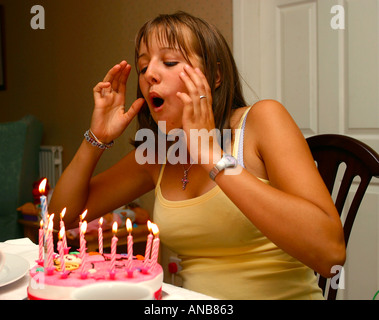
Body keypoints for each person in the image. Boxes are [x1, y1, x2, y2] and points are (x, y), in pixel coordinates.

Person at [50, 11, 345, 299]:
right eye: (142, 67)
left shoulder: (261, 121)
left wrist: (210, 154)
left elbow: (330, 255)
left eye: (168, 61)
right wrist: (96, 139)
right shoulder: (159, 152)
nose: (150, 74)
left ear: (214, 76)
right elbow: (61, 219)